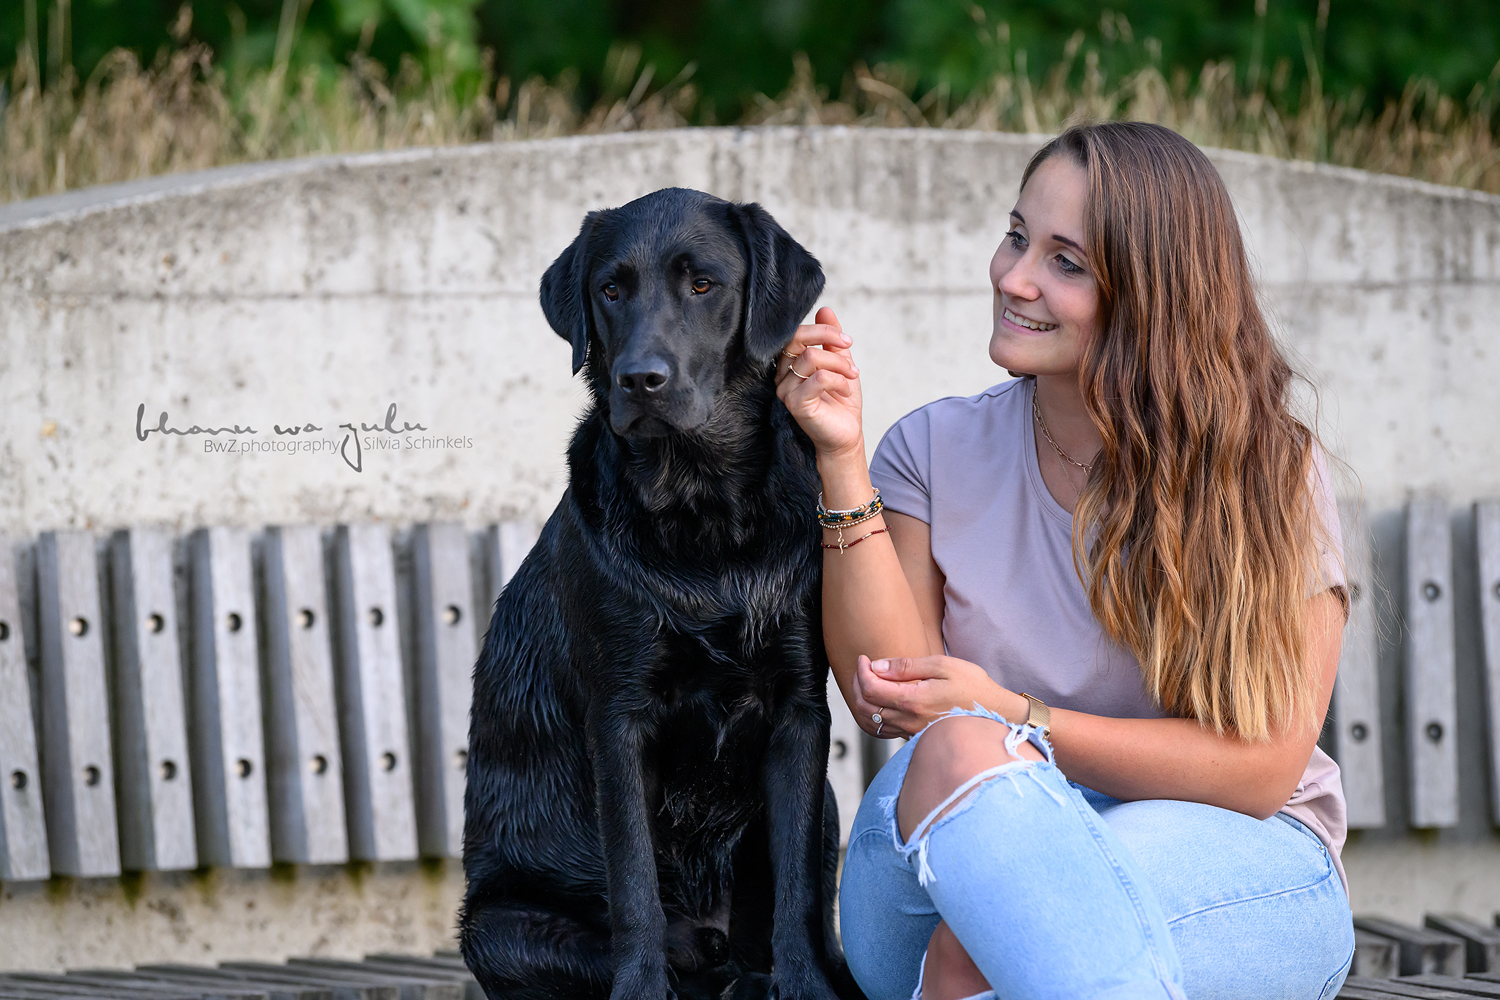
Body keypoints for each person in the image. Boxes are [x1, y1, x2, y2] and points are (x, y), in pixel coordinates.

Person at [775, 121, 1354, 1000]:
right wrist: (841, 461)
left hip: (1231, 874)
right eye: (1016, 237)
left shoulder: (1268, 473)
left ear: (1154, 296)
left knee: (999, 931)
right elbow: (885, 693)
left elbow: (1264, 767)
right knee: (961, 757)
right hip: (939, 870)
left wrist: (1014, 716)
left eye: (1065, 262)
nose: (1014, 277)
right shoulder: (933, 450)